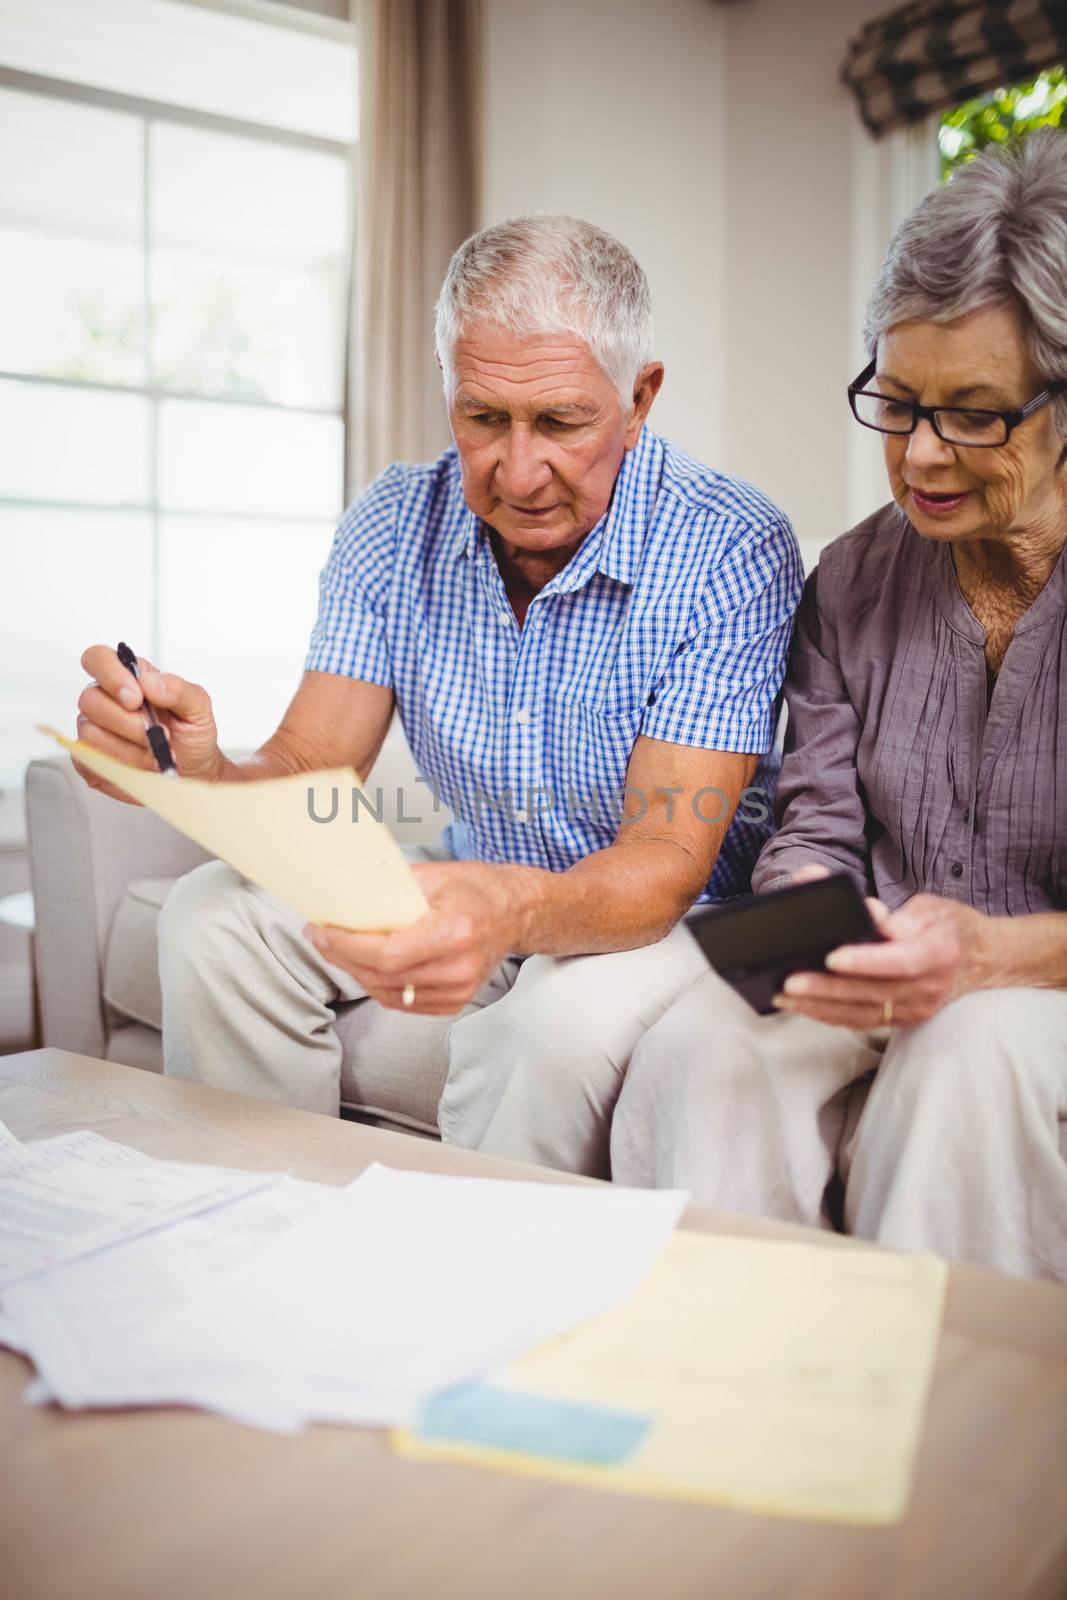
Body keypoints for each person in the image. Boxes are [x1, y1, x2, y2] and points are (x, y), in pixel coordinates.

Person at [74, 215, 801, 1170]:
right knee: (213, 915)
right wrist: (198, 769)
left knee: (552, 1022)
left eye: (562, 422)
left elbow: (665, 856)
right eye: (483, 417)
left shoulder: (730, 545)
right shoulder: (394, 520)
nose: (518, 469)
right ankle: (259, 1231)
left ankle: (473, 1292)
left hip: (671, 915)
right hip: (475, 875)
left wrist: (500, 910)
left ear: (639, 397)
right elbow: (305, 770)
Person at [611, 131, 1067, 1281]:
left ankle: (931, 1429)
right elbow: (811, 825)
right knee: (702, 1045)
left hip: (1034, 985)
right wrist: (818, 930)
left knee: (966, 1050)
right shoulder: (852, 579)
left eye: (972, 414)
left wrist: (990, 952)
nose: (917, 454)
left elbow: (990, 980)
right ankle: (720, 1390)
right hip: (883, 970)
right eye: (895, 398)